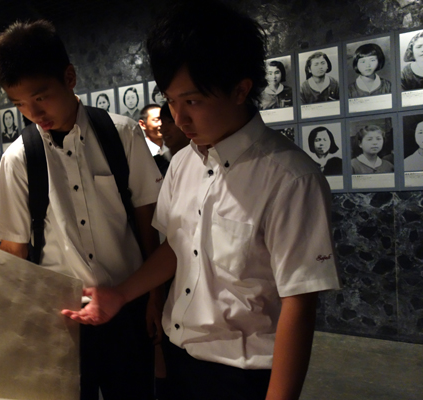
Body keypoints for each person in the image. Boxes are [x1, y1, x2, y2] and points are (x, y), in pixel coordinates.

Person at [63, 2, 340, 400]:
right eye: (171, 101)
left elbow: (299, 303)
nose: (179, 119)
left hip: (241, 375)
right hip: (179, 360)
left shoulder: (290, 178)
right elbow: (177, 246)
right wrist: (120, 294)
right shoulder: (182, 163)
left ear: (240, 90)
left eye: (192, 101)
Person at [0, 19, 162, 400]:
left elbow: (147, 223)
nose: (34, 113)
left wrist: (155, 297)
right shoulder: (18, 159)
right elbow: (13, 250)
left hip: (126, 305)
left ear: (69, 77)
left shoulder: (122, 134)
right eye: (20, 105)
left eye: (41, 97)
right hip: (58, 318)